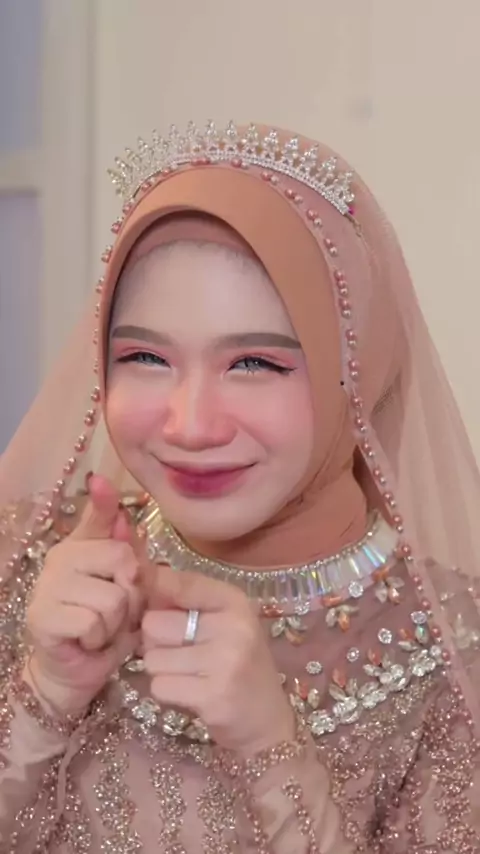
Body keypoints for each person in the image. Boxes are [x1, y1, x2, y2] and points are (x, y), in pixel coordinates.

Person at [0, 121, 480, 853]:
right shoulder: (32, 558)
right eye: (145, 357)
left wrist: (271, 749)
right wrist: (47, 692)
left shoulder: (451, 651)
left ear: (357, 370)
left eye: (256, 364)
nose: (191, 426)